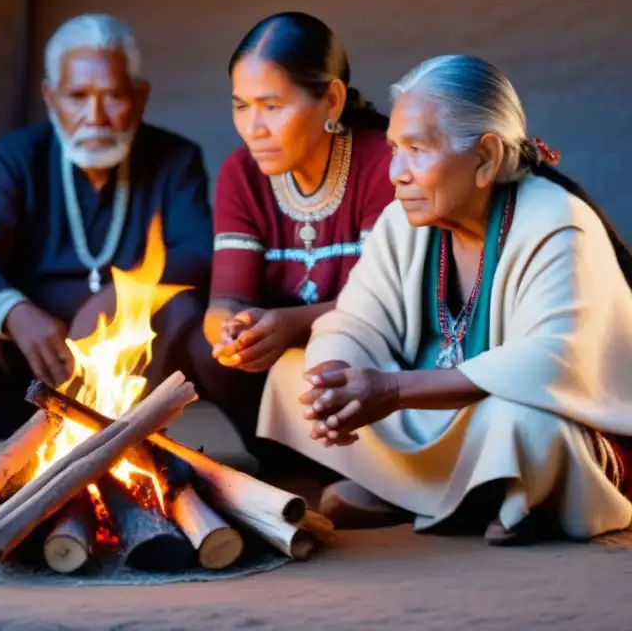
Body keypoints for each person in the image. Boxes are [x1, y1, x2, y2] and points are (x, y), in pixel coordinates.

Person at [259, 54, 632, 545]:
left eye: (416, 148)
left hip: (519, 413)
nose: (395, 172)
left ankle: (424, 491)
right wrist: (338, 385)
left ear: (486, 158)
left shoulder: (558, 221)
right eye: (393, 148)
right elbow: (353, 321)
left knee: (526, 426)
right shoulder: (402, 221)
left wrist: (390, 390)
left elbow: (549, 363)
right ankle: (462, 492)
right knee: (294, 374)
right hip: (439, 417)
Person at [0, 13, 213, 441]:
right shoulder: (17, 156)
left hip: (132, 346)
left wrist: (119, 297)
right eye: (77, 96)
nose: (95, 115)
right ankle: (22, 437)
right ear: (50, 98)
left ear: (140, 97)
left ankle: (132, 430)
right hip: (38, 348)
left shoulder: (175, 157)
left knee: (182, 309)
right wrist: (17, 313)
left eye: (113, 96)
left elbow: (198, 251)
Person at [194, 12, 395, 453]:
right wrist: (232, 333)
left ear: (332, 100)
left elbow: (385, 308)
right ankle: (288, 461)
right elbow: (227, 300)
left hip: (364, 359)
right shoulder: (241, 173)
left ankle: (366, 470)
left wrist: (289, 325)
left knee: (360, 353)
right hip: (280, 369)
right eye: (241, 106)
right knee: (199, 343)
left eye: (272, 106)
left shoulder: (385, 164)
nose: (254, 129)